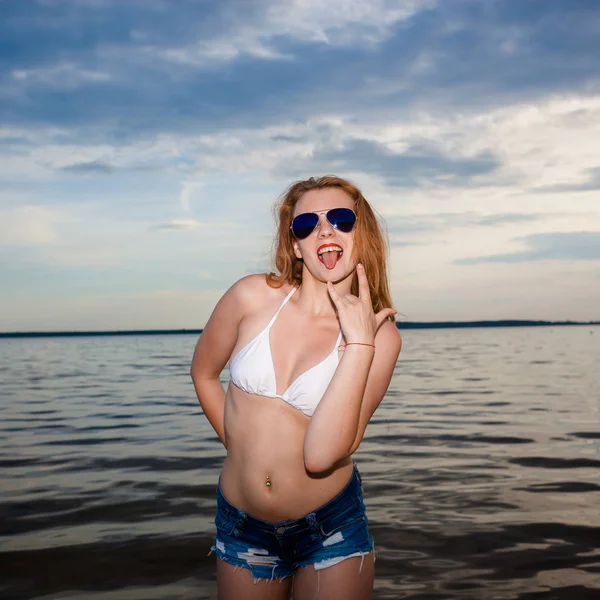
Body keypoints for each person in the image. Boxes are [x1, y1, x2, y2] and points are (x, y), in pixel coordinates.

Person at [191, 175, 402, 600]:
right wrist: (243, 451)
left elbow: (322, 454)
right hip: (241, 523)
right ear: (294, 245)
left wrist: (359, 344)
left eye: (342, 219)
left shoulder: (381, 337)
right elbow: (203, 373)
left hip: (330, 529)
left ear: (363, 235)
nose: (325, 230)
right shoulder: (250, 297)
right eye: (307, 224)